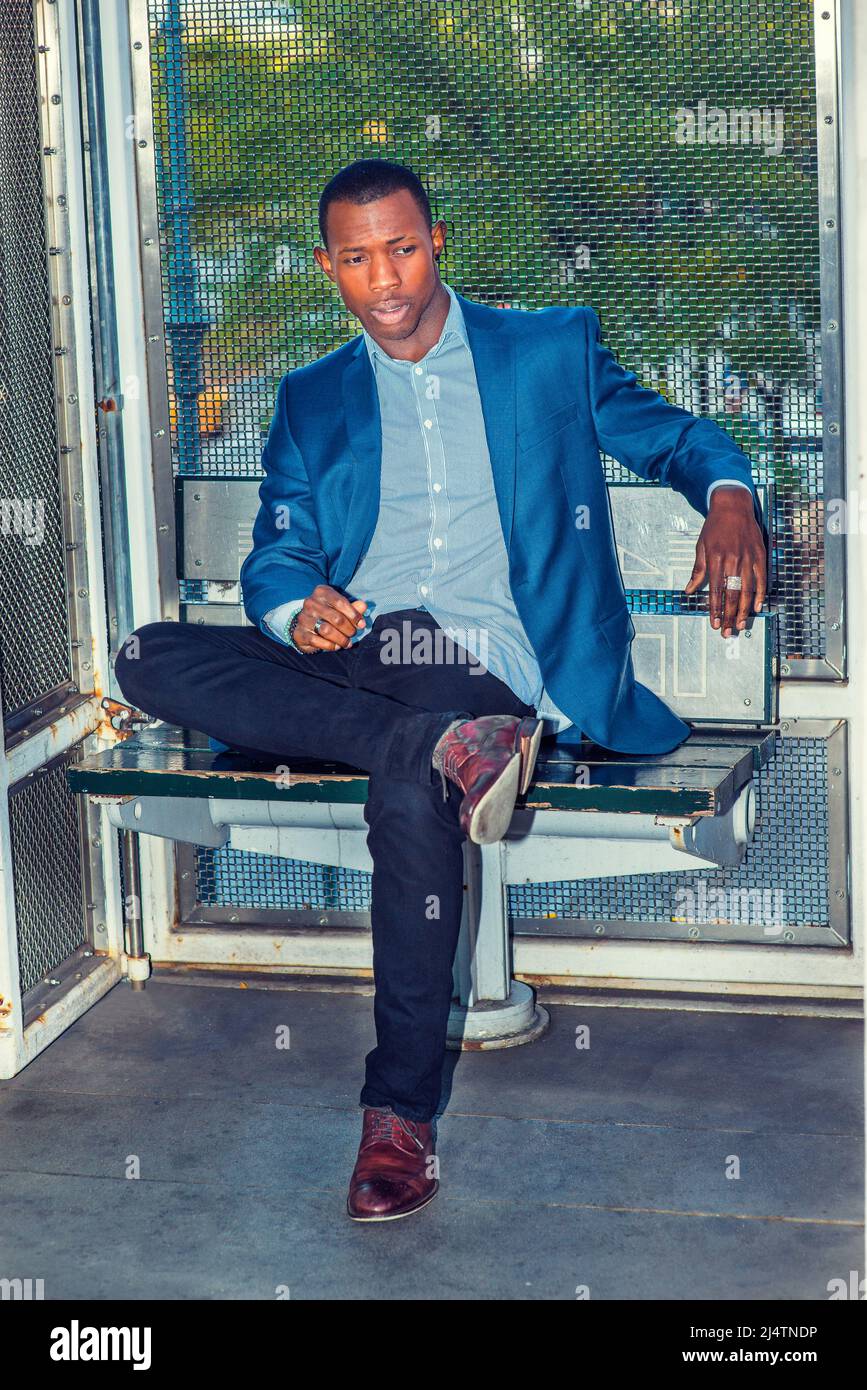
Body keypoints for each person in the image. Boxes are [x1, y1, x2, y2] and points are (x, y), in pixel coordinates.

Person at [115, 158, 767, 1223]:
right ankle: (444, 747)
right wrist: (295, 608)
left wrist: (730, 495)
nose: (387, 280)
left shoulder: (544, 353)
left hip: (490, 662)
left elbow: (680, 438)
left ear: (439, 242)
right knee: (148, 654)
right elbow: (279, 551)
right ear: (328, 267)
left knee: (407, 761)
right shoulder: (312, 396)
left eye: (405, 248)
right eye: (359, 258)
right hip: (367, 662)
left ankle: (397, 1117)